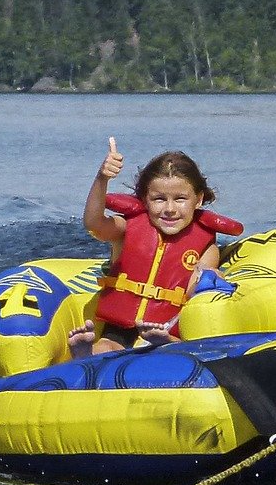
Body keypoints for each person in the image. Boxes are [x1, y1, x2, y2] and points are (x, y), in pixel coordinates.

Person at [74, 139, 241, 354]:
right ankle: (85, 353)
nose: (169, 209)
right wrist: (102, 178)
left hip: (168, 326)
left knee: (178, 341)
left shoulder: (205, 246)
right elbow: (94, 224)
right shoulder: (126, 229)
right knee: (107, 345)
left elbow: (194, 293)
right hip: (122, 325)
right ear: (145, 199)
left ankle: (163, 343)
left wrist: (210, 280)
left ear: (198, 200)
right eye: (159, 199)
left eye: (180, 199)